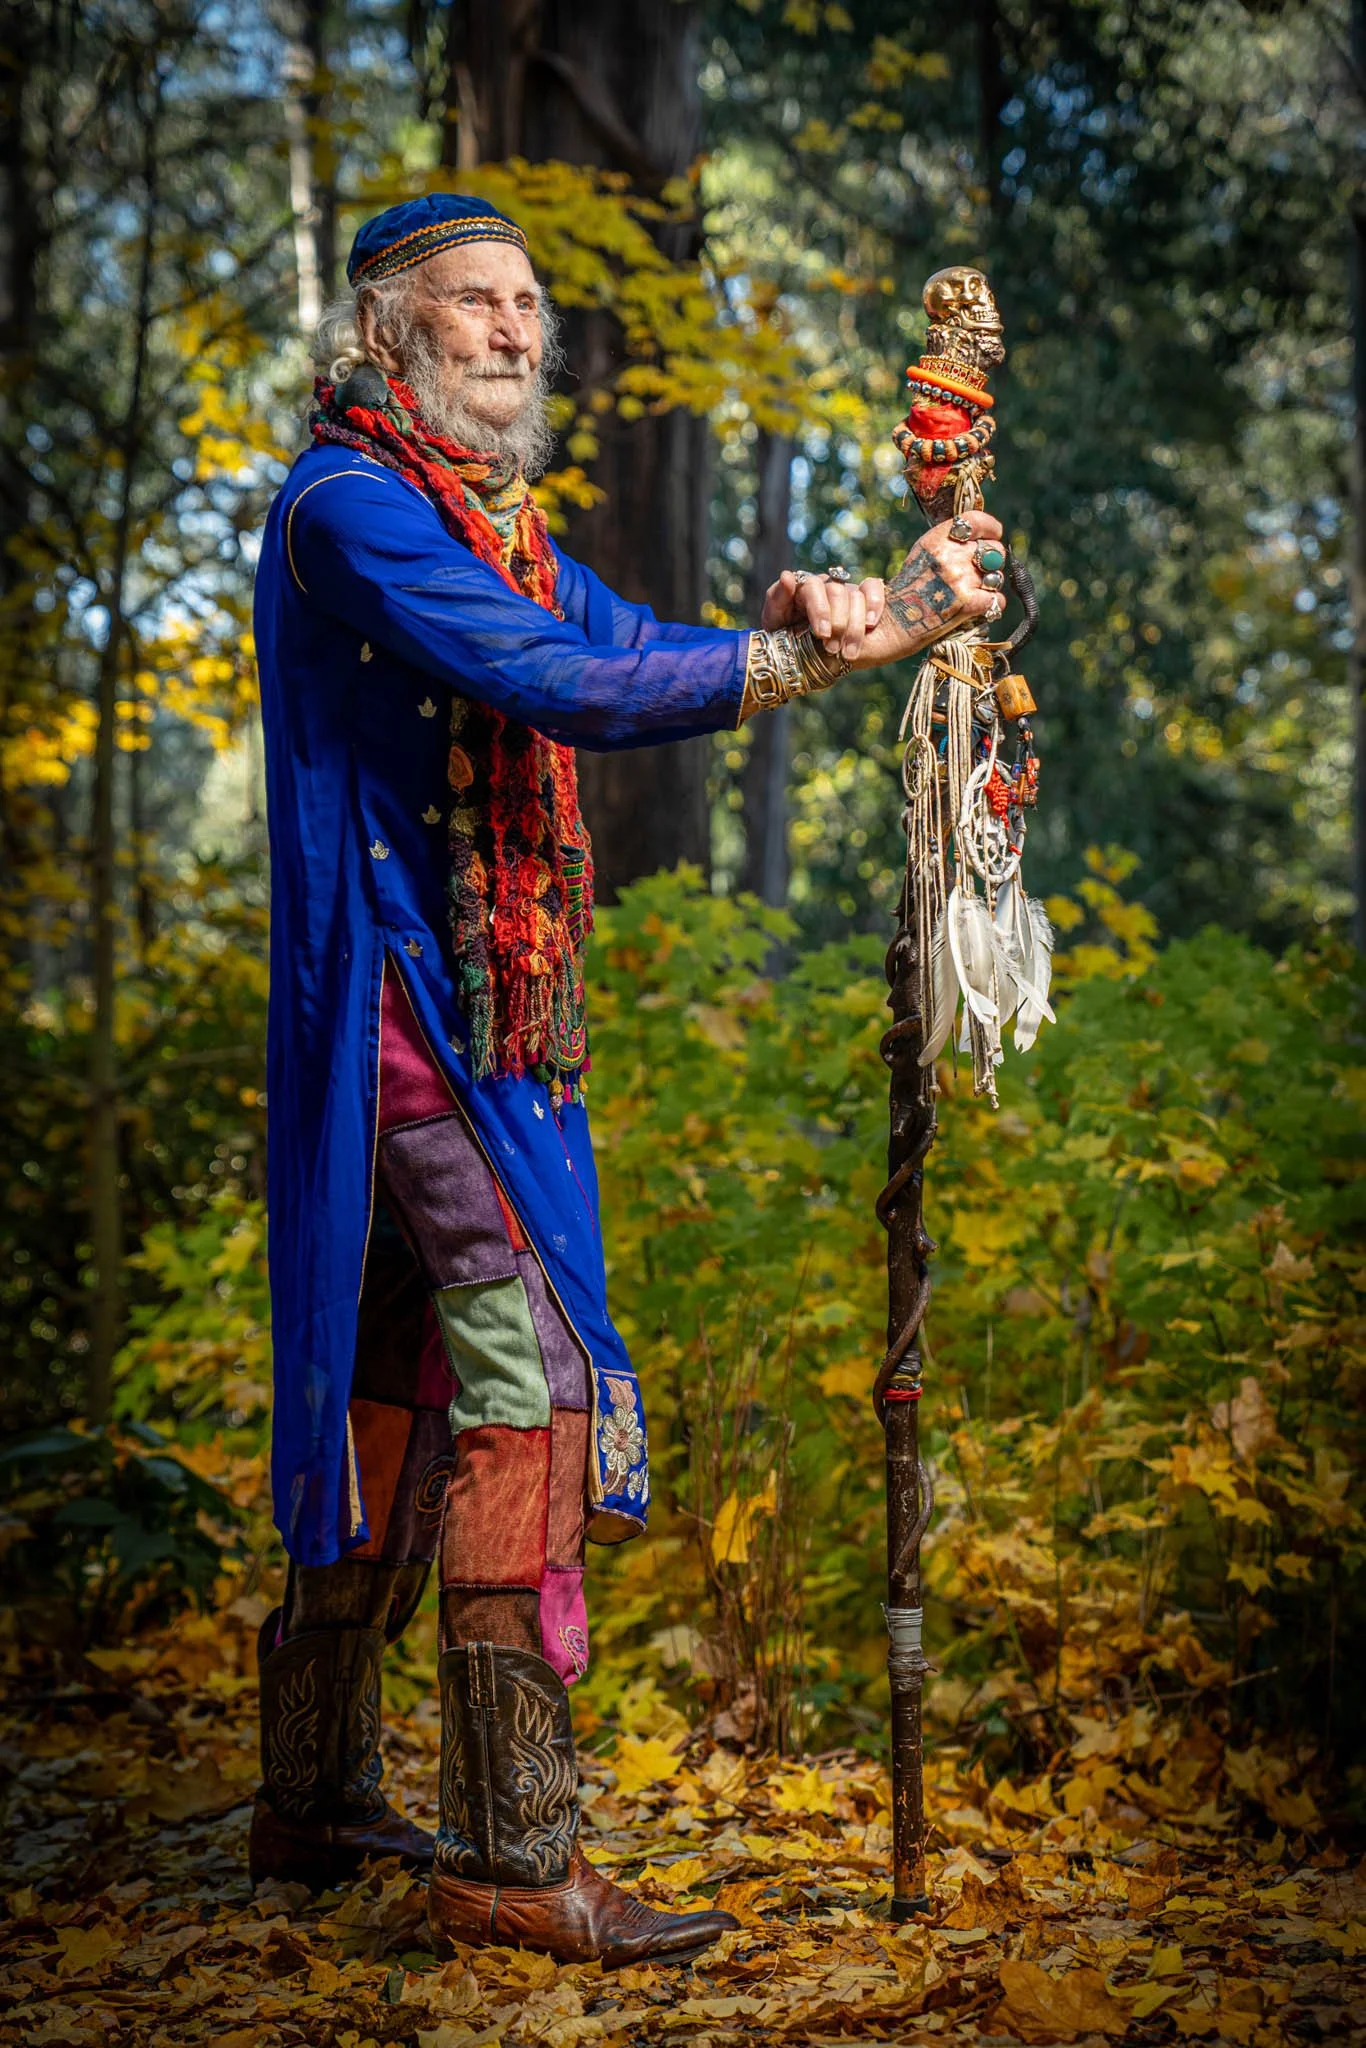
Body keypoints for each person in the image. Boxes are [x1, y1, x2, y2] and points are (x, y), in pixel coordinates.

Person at [250, 192, 1003, 1965]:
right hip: (411, 1023)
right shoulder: (349, 509)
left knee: (390, 1389)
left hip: (466, 1024)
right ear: (386, 337)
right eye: (473, 307)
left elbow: (619, 632)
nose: (516, 334)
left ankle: (312, 1801)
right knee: (530, 1377)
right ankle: (514, 1861)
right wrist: (843, 640)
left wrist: (796, 606)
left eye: (528, 307)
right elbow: (561, 682)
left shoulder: (493, 523)